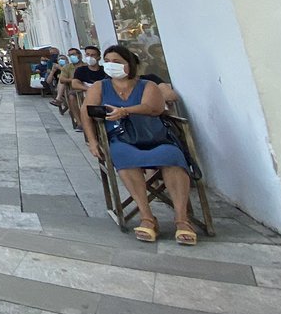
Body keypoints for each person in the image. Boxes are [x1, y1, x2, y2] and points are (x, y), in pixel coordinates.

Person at [81, 45, 196, 245]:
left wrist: (125, 111)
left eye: (117, 62)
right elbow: (87, 111)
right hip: (122, 139)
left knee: (172, 157)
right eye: (107, 61)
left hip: (154, 138)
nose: (111, 65)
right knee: (125, 158)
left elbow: (154, 107)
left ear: (129, 64)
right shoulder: (100, 87)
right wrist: (92, 141)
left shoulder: (147, 85)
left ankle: (182, 219)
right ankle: (147, 217)